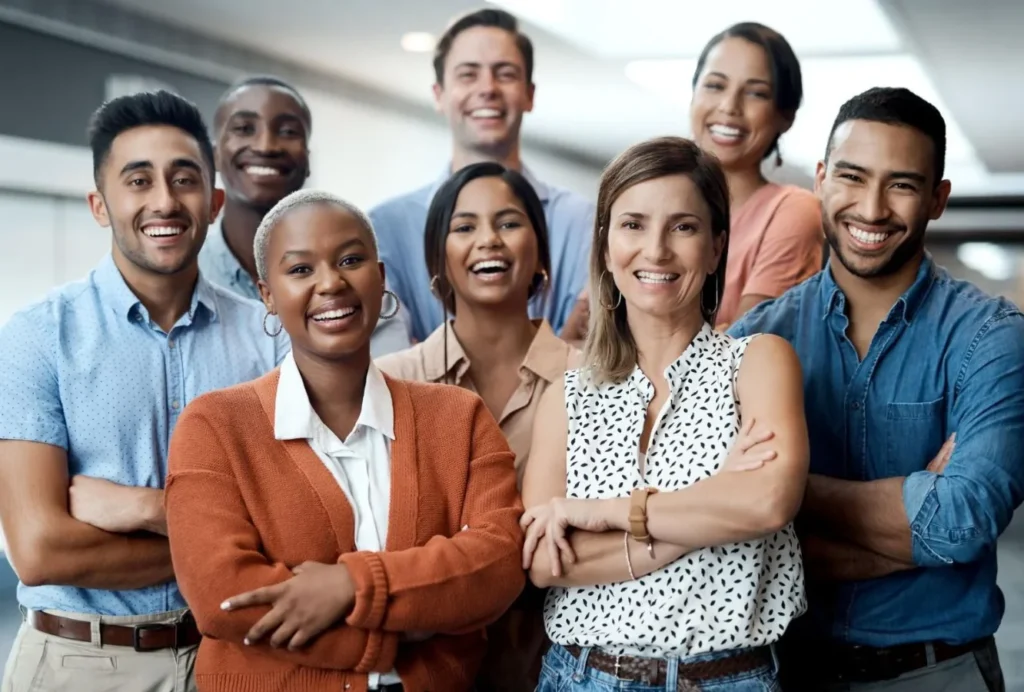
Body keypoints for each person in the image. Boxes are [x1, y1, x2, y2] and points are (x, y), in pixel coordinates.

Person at [165, 189, 526, 692]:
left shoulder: (459, 417)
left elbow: (497, 563)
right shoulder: (214, 426)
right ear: (267, 294)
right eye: (299, 270)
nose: (331, 283)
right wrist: (402, 627)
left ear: (380, 277)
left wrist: (350, 587)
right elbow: (223, 597)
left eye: (351, 260)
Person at [729, 87, 1024, 691]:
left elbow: (962, 521)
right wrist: (918, 518)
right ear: (820, 179)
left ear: (938, 199)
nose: (871, 207)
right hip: (785, 673)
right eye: (852, 176)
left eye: (903, 184)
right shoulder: (753, 339)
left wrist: (781, 489)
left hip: (939, 673)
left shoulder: (992, 337)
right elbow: (728, 545)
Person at [0, 91, 289, 692]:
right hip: (81, 663)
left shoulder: (270, 338)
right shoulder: (36, 337)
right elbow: (40, 549)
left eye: (183, 179)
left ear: (212, 203)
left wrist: (143, 509)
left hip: (236, 659)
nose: (164, 201)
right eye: (138, 180)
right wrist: (236, 548)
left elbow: (302, 523)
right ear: (100, 205)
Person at [521, 136, 809, 691]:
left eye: (683, 226)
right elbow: (544, 561)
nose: (656, 250)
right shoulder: (568, 394)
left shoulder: (760, 362)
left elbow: (768, 502)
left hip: (725, 680)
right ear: (606, 246)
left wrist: (604, 513)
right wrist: (715, 505)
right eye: (632, 225)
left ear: (717, 246)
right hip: (581, 677)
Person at [377, 162, 579, 691]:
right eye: (464, 227)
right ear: (437, 259)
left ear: (540, 252)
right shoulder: (392, 383)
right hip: (423, 667)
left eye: (509, 223)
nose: (488, 240)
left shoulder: (595, 382)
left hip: (557, 664)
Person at [369, 8, 594, 343]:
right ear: (439, 95)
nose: (487, 88)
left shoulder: (581, 220)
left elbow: (588, 352)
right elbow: (394, 363)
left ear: (529, 94)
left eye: (504, 73)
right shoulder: (384, 227)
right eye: (468, 74)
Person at [201, 75, 411, 355]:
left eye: (288, 131)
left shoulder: (360, 279)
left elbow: (387, 379)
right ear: (214, 154)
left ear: (307, 158)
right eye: (244, 128)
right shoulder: (189, 275)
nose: (266, 146)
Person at [690, 22, 823, 328]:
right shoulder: (646, 196)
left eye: (756, 93)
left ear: (785, 116)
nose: (729, 106)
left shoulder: (792, 211)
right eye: (715, 85)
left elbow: (739, 348)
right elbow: (588, 333)